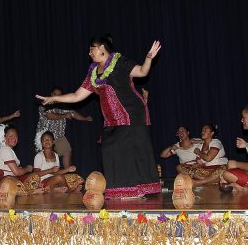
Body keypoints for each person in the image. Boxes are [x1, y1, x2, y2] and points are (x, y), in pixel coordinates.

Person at [36, 35, 162, 198]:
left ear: (102, 48)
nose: (89, 53)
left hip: (131, 114)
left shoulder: (120, 63)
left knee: (126, 150)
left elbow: (142, 72)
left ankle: (134, 190)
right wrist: (54, 99)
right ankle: (123, 189)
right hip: (111, 120)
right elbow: (76, 96)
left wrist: (149, 57)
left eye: (92, 49)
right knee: (109, 149)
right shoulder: (93, 74)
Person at [36, 86, 92, 169]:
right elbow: (49, 115)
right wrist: (64, 115)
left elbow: (74, 114)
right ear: (51, 94)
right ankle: (43, 175)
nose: (56, 97)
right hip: (45, 136)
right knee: (43, 156)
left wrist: (85, 118)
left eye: (59, 95)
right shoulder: (45, 104)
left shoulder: (63, 107)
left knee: (67, 151)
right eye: (55, 94)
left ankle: (67, 173)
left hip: (58, 136)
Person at [0, 124, 41, 197]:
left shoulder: (6, 149)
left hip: (2, 181)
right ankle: (29, 191)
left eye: (15, 136)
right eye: (10, 136)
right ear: (4, 138)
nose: (14, 138)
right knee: (9, 182)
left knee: (34, 177)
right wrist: (28, 169)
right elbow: (17, 172)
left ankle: (26, 190)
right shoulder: (5, 150)